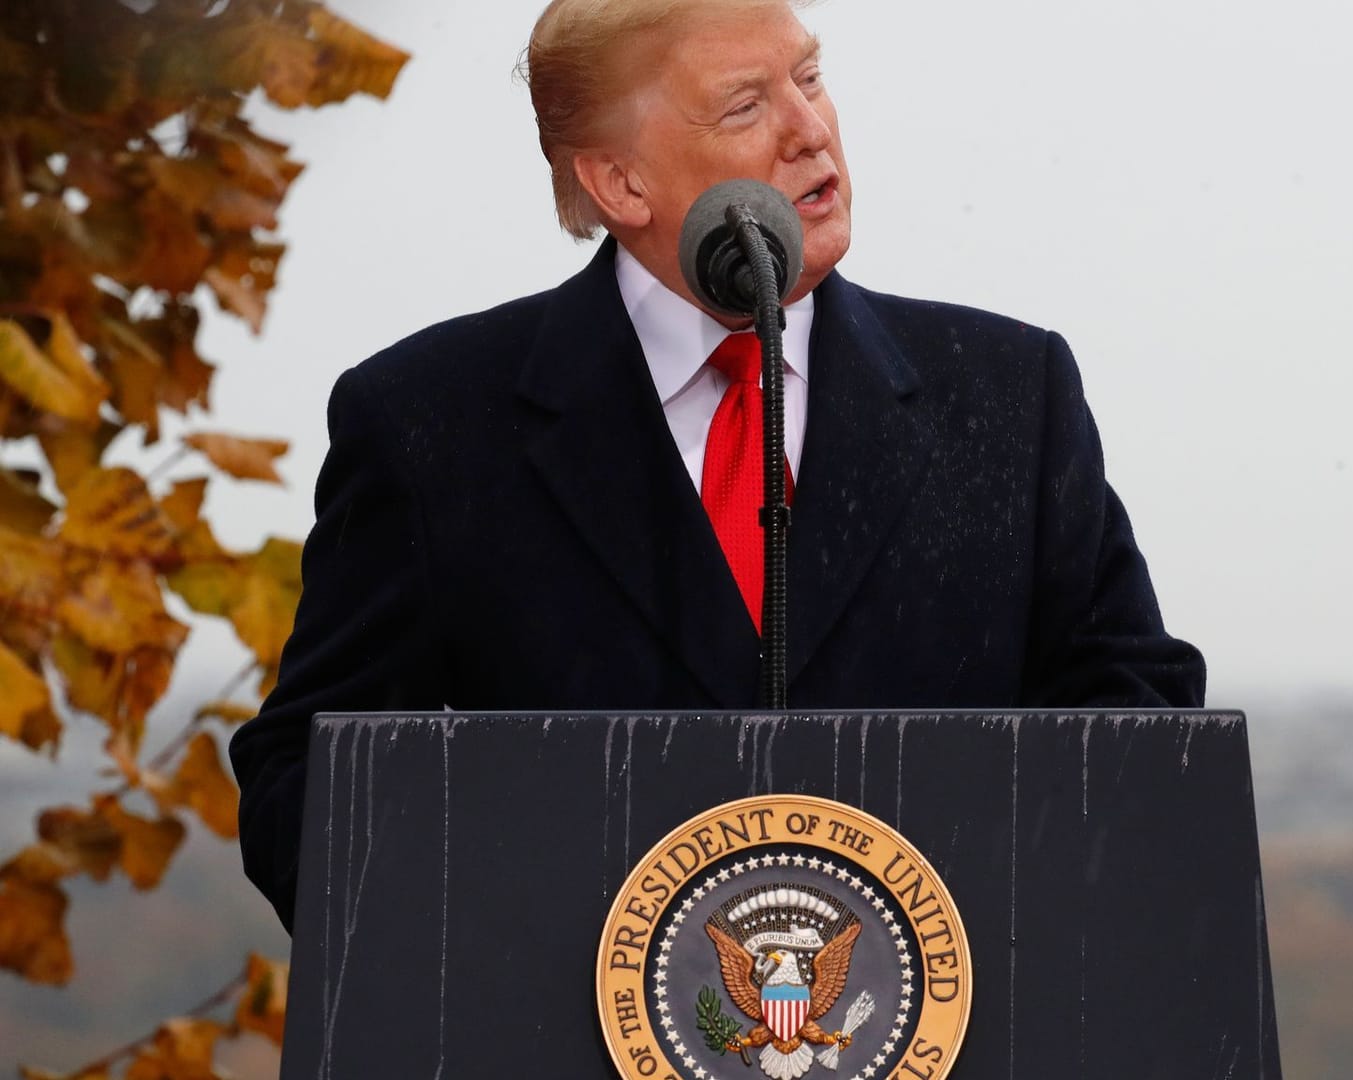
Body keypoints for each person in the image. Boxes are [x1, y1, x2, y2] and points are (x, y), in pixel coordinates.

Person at [230, 0, 1203, 932]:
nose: (810, 129)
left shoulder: (1007, 395)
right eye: (745, 104)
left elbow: (1137, 723)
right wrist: (500, 951)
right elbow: (310, 781)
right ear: (619, 181)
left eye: (810, 78)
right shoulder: (429, 423)